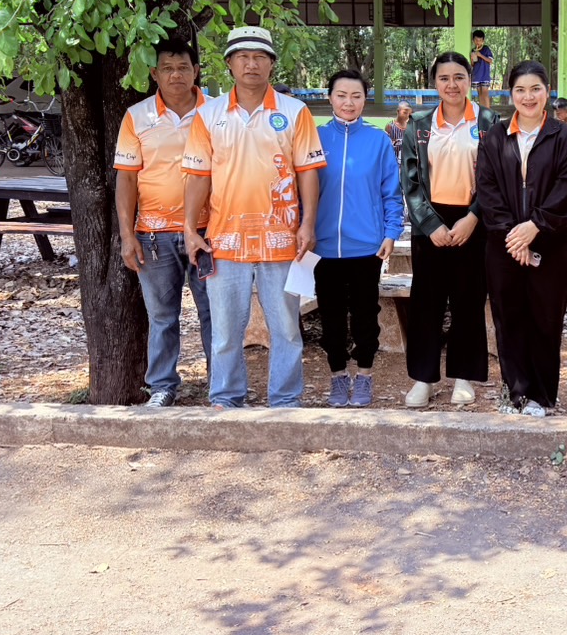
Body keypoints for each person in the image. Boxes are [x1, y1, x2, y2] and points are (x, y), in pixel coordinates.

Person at [183, 25, 324, 409]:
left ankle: (285, 399)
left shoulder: (294, 112)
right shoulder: (208, 114)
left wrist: (307, 224)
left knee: (287, 329)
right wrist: (190, 229)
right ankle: (226, 398)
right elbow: (198, 176)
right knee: (227, 332)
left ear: (271, 64)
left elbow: (308, 172)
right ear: (229, 63)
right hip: (224, 240)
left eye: (260, 57)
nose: (251, 64)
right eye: (243, 57)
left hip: (281, 239)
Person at [476, 61, 567, 416]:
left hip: (549, 243)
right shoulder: (495, 136)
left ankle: (541, 394)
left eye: (535, 89)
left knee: (546, 317)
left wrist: (534, 227)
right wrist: (514, 235)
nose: (528, 97)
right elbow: (487, 187)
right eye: (520, 90)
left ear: (547, 92)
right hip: (504, 244)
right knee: (508, 317)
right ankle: (517, 392)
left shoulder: (563, 137)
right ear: (511, 94)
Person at [114, 36, 214, 407]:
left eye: (183, 68)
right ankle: (162, 387)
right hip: (153, 235)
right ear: (154, 74)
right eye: (167, 69)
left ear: (196, 71)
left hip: (208, 232)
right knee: (162, 316)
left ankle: (221, 387)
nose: (176, 75)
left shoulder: (217, 113)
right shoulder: (137, 116)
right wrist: (127, 236)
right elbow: (126, 179)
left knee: (215, 314)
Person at [399, 51, 500, 406]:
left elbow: (494, 178)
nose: (452, 84)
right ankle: (423, 378)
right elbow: (410, 181)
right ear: (434, 83)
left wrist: (473, 217)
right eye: (444, 78)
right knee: (426, 302)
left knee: (468, 301)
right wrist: (430, 225)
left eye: (459, 77)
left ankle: (463, 377)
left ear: (470, 80)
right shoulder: (419, 124)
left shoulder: (488, 121)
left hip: (473, 221)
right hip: (430, 224)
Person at [313, 68, 404, 408]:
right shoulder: (315, 138)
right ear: (330, 98)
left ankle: (364, 375)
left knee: (366, 316)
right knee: (331, 317)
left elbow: (391, 192)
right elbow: (301, 190)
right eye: (341, 95)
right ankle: (337, 376)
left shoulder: (378, 141)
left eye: (356, 96)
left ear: (365, 99)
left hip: (367, 246)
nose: (348, 102)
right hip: (323, 247)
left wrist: (391, 232)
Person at [469, 29, 494, 109]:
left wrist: (480, 55)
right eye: (476, 40)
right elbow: (473, 64)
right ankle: (482, 111)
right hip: (477, 75)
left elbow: (490, 61)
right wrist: (472, 59)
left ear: (483, 41)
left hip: (484, 75)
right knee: (480, 94)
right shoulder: (473, 50)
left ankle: (488, 112)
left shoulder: (486, 49)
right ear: (473, 40)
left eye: (480, 40)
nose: (478, 42)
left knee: (485, 94)